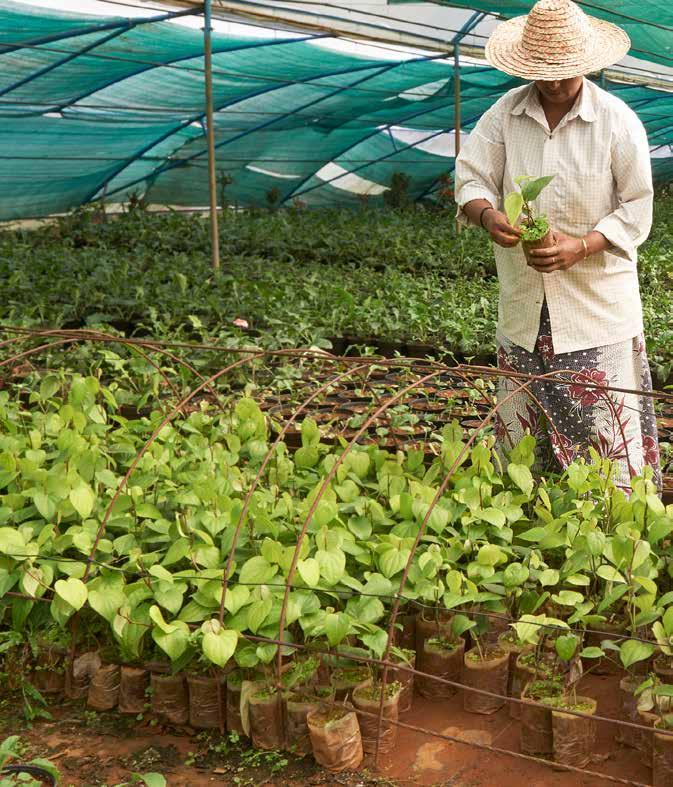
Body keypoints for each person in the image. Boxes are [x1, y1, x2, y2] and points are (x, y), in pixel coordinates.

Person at [454, 0, 661, 491]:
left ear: (587, 64)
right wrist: (489, 218)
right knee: (526, 436)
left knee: (604, 441)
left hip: (595, 313)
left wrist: (583, 245)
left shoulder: (616, 121)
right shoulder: (504, 115)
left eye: (564, 71)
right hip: (526, 305)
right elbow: (470, 180)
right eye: (542, 71)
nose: (553, 81)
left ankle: (611, 532)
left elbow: (638, 207)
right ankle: (532, 525)